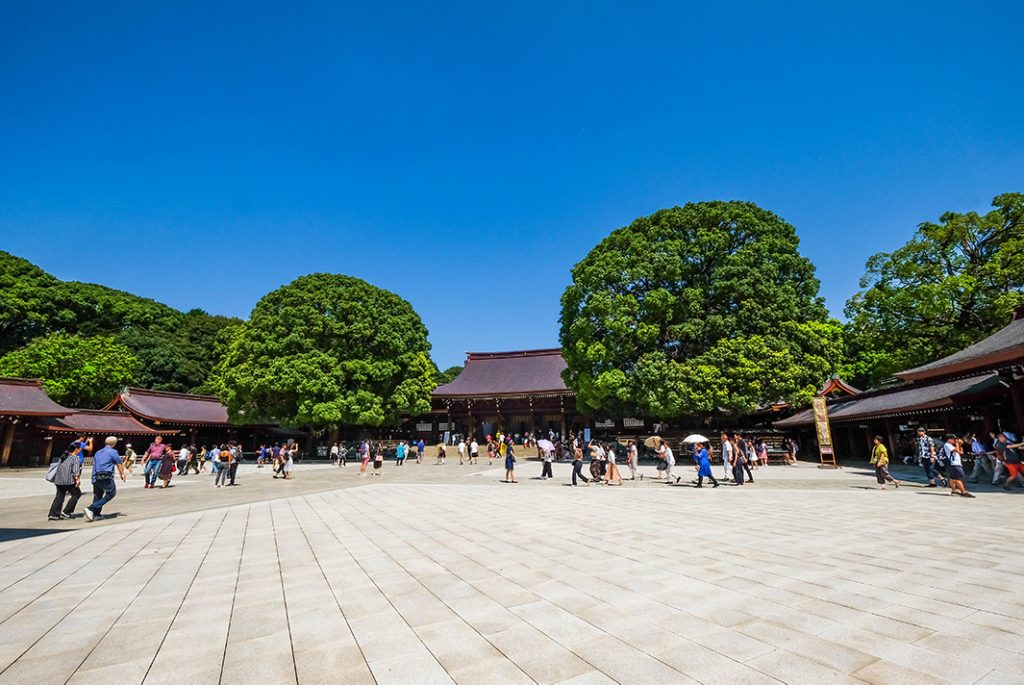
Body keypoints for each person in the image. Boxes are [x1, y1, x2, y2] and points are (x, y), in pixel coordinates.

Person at [84, 436, 125, 522]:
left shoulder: (98, 452)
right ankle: (91, 508)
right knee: (111, 493)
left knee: (98, 495)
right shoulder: (113, 452)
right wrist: (122, 474)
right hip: (106, 476)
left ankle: (96, 514)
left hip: (95, 475)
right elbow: (119, 463)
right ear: (114, 443)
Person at [48, 442, 83, 520]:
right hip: (68, 480)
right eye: (80, 448)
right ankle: (66, 512)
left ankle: (54, 514)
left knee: (59, 496)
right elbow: (75, 471)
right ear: (76, 449)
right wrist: (77, 480)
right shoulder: (75, 458)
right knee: (77, 494)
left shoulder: (63, 456)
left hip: (59, 480)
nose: (80, 450)